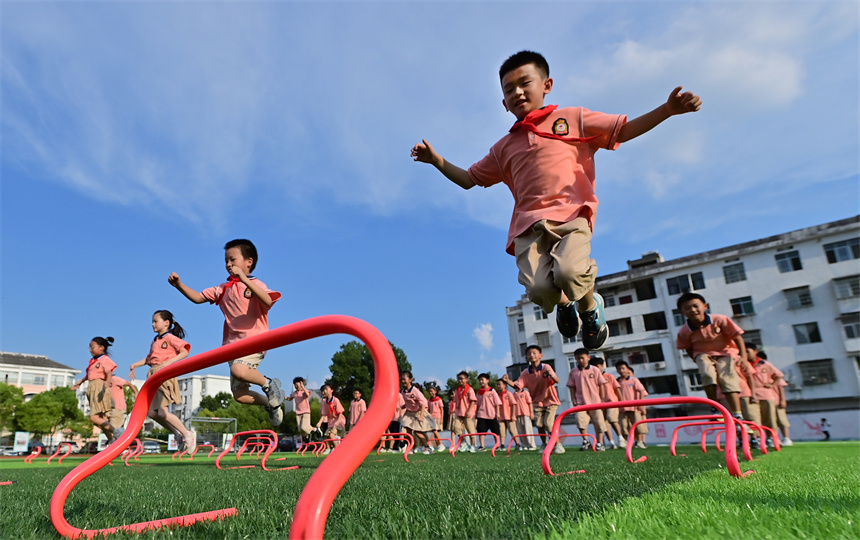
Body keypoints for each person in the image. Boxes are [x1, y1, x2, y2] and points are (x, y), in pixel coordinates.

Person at [412, 50, 701, 350]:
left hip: (571, 214)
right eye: (509, 90)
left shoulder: (572, 118)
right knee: (539, 290)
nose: (517, 92)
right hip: (529, 226)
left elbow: (622, 131)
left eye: (525, 83)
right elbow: (470, 180)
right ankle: (565, 305)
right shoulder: (503, 148)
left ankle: (590, 309)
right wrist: (437, 160)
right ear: (502, 102)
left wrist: (666, 110)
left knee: (569, 272)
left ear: (547, 85)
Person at [168, 238, 285, 426]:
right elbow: (198, 298)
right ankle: (272, 404)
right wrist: (179, 285)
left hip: (255, 342)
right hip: (233, 348)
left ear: (249, 262)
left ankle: (270, 385)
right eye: (226, 261)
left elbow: (268, 301)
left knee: (239, 370)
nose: (229, 265)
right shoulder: (223, 289)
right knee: (240, 395)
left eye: (233, 260)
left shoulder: (255, 284)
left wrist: (245, 280)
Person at [676, 292, 747, 432]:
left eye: (696, 306)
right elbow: (688, 348)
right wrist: (697, 360)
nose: (693, 310)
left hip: (726, 352)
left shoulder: (720, 320)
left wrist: (743, 356)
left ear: (705, 306)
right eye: (687, 308)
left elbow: (737, 337)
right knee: (707, 375)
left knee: (727, 379)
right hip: (702, 354)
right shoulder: (684, 331)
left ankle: (737, 414)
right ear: (682, 312)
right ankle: (715, 407)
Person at [128, 310, 197, 453]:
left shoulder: (170, 338)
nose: (153, 324)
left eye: (155, 321)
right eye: (152, 321)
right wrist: (135, 365)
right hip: (153, 375)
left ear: (166, 323)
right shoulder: (155, 340)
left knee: (162, 411)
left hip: (164, 374)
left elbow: (185, 350)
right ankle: (177, 433)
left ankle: (187, 433)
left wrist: (168, 363)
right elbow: (150, 359)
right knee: (153, 413)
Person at [501, 345, 565, 453]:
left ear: (540, 355)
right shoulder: (525, 372)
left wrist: (552, 376)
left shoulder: (546, 367)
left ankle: (558, 445)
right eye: (529, 354)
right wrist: (508, 381)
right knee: (539, 425)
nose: (531, 355)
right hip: (537, 402)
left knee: (549, 424)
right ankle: (544, 444)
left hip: (550, 401)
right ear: (526, 358)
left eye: (534, 353)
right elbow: (518, 386)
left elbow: (557, 380)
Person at [71, 337, 119, 443]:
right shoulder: (94, 361)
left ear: (101, 348)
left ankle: (118, 432)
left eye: (92, 347)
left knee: (94, 418)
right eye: (89, 347)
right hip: (92, 388)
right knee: (101, 419)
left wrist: (107, 381)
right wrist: (80, 382)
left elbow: (109, 370)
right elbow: (89, 375)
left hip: (99, 387)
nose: (90, 349)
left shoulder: (104, 359)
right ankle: (112, 440)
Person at [566, 349, 608, 451]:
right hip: (581, 402)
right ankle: (586, 440)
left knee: (599, 423)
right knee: (580, 420)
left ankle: (600, 443)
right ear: (575, 359)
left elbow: (601, 384)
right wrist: (573, 399)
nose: (581, 360)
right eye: (578, 358)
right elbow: (571, 387)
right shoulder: (573, 372)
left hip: (595, 402)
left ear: (588, 358)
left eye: (582, 358)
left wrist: (602, 399)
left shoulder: (595, 370)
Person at [746, 344, 784, 447]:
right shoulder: (744, 364)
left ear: (755, 351)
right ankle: (756, 439)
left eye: (748, 351)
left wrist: (772, 385)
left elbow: (779, 375)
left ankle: (772, 438)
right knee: (754, 419)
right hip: (751, 395)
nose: (745, 354)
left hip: (766, 394)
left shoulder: (765, 364)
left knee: (770, 418)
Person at [590, 356, 624, 449]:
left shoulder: (609, 376)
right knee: (603, 423)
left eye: (597, 366)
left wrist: (622, 402)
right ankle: (611, 442)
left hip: (611, 402)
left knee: (612, 419)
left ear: (601, 366)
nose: (596, 369)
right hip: (599, 403)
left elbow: (617, 389)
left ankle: (621, 439)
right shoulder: (592, 378)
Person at [399, 371, 436, 454]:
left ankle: (428, 448)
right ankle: (410, 447)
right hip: (409, 413)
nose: (403, 381)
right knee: (405, 427)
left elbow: (423, 404)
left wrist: (421, 416)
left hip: (418, 412)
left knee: (417, 432)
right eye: (401, 379)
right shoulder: (403, 392)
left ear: (410, 380)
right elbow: (409, 402)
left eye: (404, 379)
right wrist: (403, 407)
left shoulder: (415, 391)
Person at [616, 361, 648, 449]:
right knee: (623, 426)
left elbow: (641, 390)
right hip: (622, 408)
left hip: (634, 407)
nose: (621, 371)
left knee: (638, 425)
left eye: (623, 368)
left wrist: (640, 403)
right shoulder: (617, 382)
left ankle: (640, 442)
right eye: (619, 369)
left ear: (627, 369)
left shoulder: (634, 380)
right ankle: (625, 442)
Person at [474, 373, 502, 451]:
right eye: (479, 380)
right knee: (481, 431)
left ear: (487, 380)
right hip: (481, 415)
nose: (481, 381)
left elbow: (497, 403)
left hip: (492, 415)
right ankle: (482, 446)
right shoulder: (479, 392)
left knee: (495, 431)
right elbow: (476, 403)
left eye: (482, 380)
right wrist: (475, 413)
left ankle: (497, 445)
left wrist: (498, 413)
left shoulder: (492, 391)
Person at [316, 384, 345, 455]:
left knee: (332, 435)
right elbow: (324, 414)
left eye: (326, 389)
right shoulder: (324, 402)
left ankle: (337, 449)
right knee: (326, 435)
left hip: (339, 421)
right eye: (323, 390)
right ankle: (328, 449)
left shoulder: (336, 400)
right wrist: (319, 422)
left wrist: (337, 422)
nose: (324, 391)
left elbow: (340, 413)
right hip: (331, 422)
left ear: (332, 390)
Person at [452, 371, 478, 453]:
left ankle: (473, 445)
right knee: (456, 427)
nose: (460, 380)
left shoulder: (469, 389)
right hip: (459, 412)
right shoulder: (457, 390)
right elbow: (456, 401)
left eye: (462, 379)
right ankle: (464, 442)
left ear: (466, 379)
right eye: (458, 379)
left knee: (470, 429)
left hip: (468, 412)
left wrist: (470, 411)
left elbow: (473, 401)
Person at [107, 375, 138, 439]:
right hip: (109, 408)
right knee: (109, 429)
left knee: (114, 429)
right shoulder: (105, 381)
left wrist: (135, 392)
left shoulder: (115, 379)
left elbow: (129, 384)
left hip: (117, 407)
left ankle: (118, 443)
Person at [286, 377, 313, 445]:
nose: (296, 386)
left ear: (301, 383)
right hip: (298, 413)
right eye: (295, 385)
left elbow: (307, 394)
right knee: (300, 430)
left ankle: (315, 429)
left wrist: (303, 386)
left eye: (297, 384)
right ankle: (307, 436)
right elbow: (289, 398)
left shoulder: (304, 391)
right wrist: (283, 397)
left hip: (306, 412)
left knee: (304, 427)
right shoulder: (294, 393)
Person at [495, 379, 519, 449]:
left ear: (505, 385)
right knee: (501, 431)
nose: (498, 386)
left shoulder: (508, 394)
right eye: (497, 384)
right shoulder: (497, 395)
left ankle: (517, 443)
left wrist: (513, 415)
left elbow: (514, 404)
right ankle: (502, 445)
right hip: (501, 417)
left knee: (512, 430)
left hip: (509, 416)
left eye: (499, 384)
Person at [774, 372, 793, 446]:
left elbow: (781, 388)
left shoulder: (776, 376)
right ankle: (775, 438)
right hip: (767, 400)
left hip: (777, 401)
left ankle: (786, 438)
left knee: (782, 419)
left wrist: (782, 400)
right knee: (771, 421)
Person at [426, 385, 446, 452]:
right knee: (434, 432)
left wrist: (442, 419)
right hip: (432, 417)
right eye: (429, 391)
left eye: (432, 391)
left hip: (438, 417)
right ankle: (438, 445)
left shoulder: (439, 400)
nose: (430, 392)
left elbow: (442, 409)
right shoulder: (429, 400)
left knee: (435, 431)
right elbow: (428, 409)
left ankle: (441, 444)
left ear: (435, 391)